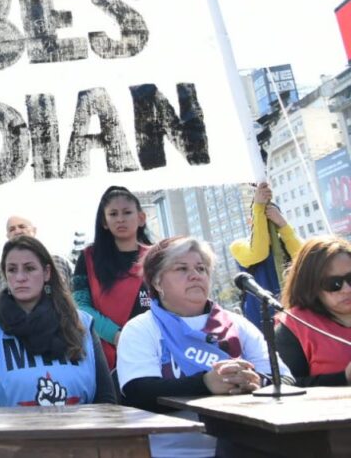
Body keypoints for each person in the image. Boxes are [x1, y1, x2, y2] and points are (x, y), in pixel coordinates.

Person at [117, 237, 291, 458]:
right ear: (158, 282)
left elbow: (285, 378)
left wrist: (257, 381)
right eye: (181, 268)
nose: (195, 275)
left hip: (249, 446)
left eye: (201, 268)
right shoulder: (141, 328)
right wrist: (206, 383)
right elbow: (138, 394)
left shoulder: (237, 324)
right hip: (176, 452)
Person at [0, 236, 115, 406]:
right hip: (14, 432)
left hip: (79, 431)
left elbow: (107, 401)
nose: (20, 277)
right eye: (12, 269)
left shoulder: (81, 323)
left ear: (46, 273)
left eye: (29, 268)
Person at [72, 186, 153, 369]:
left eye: (127, 212)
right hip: (106, 356)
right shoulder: (88, 257)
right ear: (104, 222)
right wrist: (117, 336)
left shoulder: (159, 256)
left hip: (154, 350)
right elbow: (80, 306)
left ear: (141, 218)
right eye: (113, 214)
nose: (121, 219)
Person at [275, 236, 351, 386]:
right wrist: (344, 378)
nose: (347, 289)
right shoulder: (293, 326)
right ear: (311, 286)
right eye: (333, 283)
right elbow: (286, 386)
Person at [230, 182, 302, 330]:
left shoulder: (286, 242)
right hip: (262, 318)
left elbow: (305, 258)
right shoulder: (239, 245)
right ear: (251, 221)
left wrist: (282, 224)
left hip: (294, 313)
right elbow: (258, 252)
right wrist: (258, 207)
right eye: (261, 218)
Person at [0, 215, 72, 296]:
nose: (17, 231)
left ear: (34, 230)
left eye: (22, 227)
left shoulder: (58, 261)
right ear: (7, 235)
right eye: (12, 229)